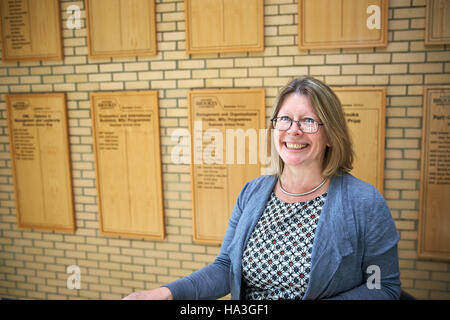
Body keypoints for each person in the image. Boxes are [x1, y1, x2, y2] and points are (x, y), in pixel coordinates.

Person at [123, 77, 401, 300]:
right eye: (285, 119)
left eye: (308, 121)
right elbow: (225, 268)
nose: (294, 130)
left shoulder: (364, 202)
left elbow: (382, 286)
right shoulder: (252, 192)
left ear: (331, 135)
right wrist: (166, 293)